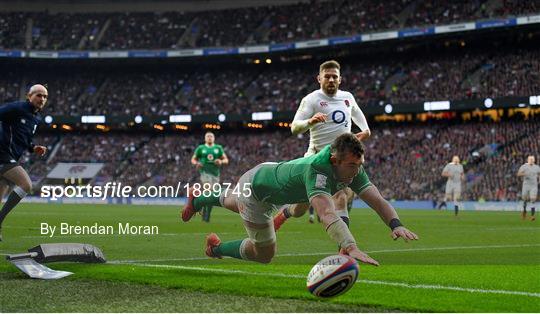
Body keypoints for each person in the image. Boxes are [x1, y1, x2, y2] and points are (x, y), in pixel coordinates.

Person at [182, 133, 418, 265]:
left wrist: (396, 224)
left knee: (235, 202)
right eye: (352, 165)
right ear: (335, 160)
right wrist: (350, 246)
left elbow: (377, 200)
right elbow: (326, 214)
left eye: (360, 165)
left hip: (267, 177)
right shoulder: (318, 169)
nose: (357, 171)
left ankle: (198, 201)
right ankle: (215, 249)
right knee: (264, 254)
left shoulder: (352, 166)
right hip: (258, 193)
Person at [273, 60, 371, 229]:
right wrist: (309, 122)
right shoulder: (311, 100)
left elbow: (355, 111)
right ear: (319, 78)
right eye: (327, 76)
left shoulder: (347, 97)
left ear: (340, 79)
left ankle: (344, 249)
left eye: (335, 77)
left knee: (341, 198)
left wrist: (366, 129)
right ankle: (284, 214)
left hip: (340, 158)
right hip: (317, 157)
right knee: (300, 208)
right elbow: (294, 128)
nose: (331, 80)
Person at [0, 84, 48, 241]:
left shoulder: (36, 118)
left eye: (45, 96)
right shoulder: (17, 108)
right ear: (29, 96)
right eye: (38, 95)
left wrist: (34, 147)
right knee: (26, 185)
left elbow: (25, 139)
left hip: (12, 156)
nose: (42, 99)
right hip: (3, 155)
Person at [187, 132, 228, 222]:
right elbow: (193, 159)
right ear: (205, 138)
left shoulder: (218, 148)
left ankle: (207, 212)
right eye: (208, 136)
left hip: (215, 175)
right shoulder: (201, 148)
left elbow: (226, 159)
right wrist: (197, 163)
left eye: (211, 136)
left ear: (214, 138)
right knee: (208, 190)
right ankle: (205, 214)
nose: (209, 138)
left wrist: (221, 162)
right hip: (205, 173)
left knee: (211, 195)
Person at [517, 155, 540, 221]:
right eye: (530, 159)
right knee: (524, 199)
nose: (531, 161)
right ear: (528, 160)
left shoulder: (537, 167)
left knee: (533, 199)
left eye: (532, 159)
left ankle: (532, 216)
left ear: (534, 160)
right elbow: (518, 174)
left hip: (534, 185)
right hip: (526, 185)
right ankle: (524, 211)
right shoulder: (524, 166)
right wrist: (524, 174)